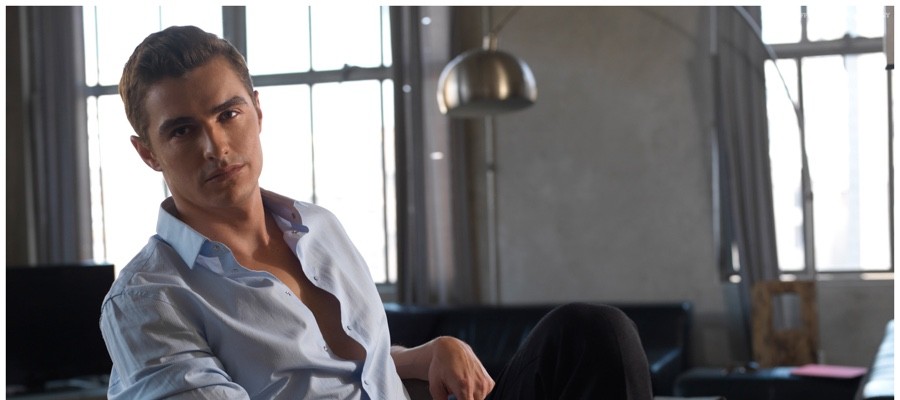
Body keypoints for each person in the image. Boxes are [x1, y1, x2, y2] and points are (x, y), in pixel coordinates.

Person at [100, 25, 653, 400]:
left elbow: (353, 368)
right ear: (148, 153)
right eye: (182, 131)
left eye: (228, 114)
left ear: (258, 112)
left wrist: (431, 351)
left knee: (592, 332)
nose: (215, 146)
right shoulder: (148, 299)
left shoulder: (317, 228)